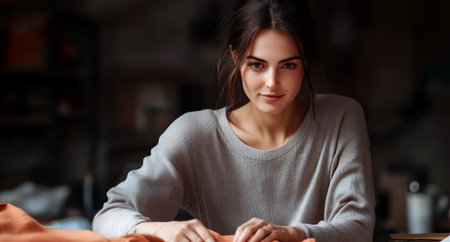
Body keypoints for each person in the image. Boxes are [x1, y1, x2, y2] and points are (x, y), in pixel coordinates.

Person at [93, 0, 375, 241]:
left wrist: (292, 234)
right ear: (235, 57)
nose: (272, 83)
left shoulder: (341, 117)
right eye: (257, 65)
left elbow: (359, 228)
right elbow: (109, 216)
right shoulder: (195, 134)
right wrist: (162, 230)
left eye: (288, 65)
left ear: (307, 63)